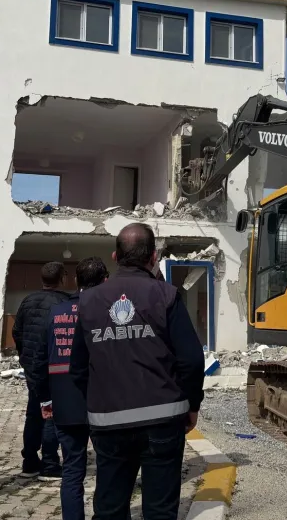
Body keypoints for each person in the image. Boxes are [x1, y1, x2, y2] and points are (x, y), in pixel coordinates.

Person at [70, 223, 205, 520]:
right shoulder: (166, 295)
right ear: (153, 257)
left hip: (108, 423)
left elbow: (77, 368)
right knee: (159, 511)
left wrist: (98, 402)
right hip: (162, 420)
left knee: (110, 509)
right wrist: (192, 405)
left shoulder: (88, 301)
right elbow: (192, 360)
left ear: (115, 256)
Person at [30, 257, 109, 520]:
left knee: (72, 470)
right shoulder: (107, 311)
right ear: (105, 281)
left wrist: (44, 399)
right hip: (102, 399)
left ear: (76, 280)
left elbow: (40, 359)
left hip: (64, 398)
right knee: (108, 467)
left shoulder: (56, 312)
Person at [13, 261, 72, 479]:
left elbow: (17, 332)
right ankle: (50, 462)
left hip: (32, 366)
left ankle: (29, 460)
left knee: (33, 412)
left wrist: (25, 357)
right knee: (51, 414)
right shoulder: (64, 303)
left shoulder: (28, 301)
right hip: (54, 366)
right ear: (62, 278)